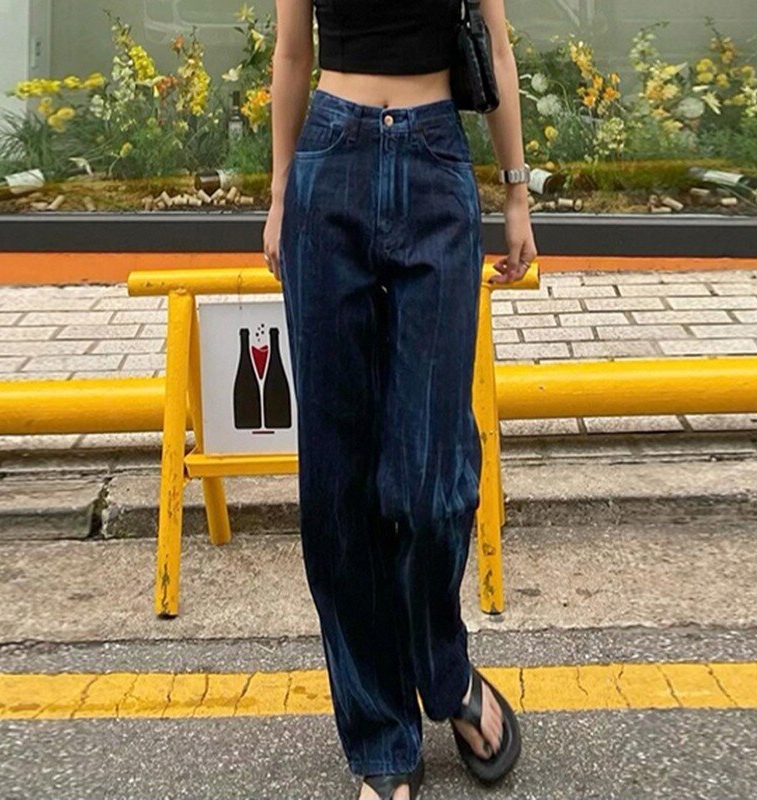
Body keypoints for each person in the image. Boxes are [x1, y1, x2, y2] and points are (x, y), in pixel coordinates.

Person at [263, 0, 538, 797]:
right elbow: (291, 54)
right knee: (337, 485)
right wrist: (280, 193)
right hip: (330, 162)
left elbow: (496, 48)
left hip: (434, 162)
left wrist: (516, 193)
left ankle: (444, 673)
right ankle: (380, 737)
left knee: (429, 482)